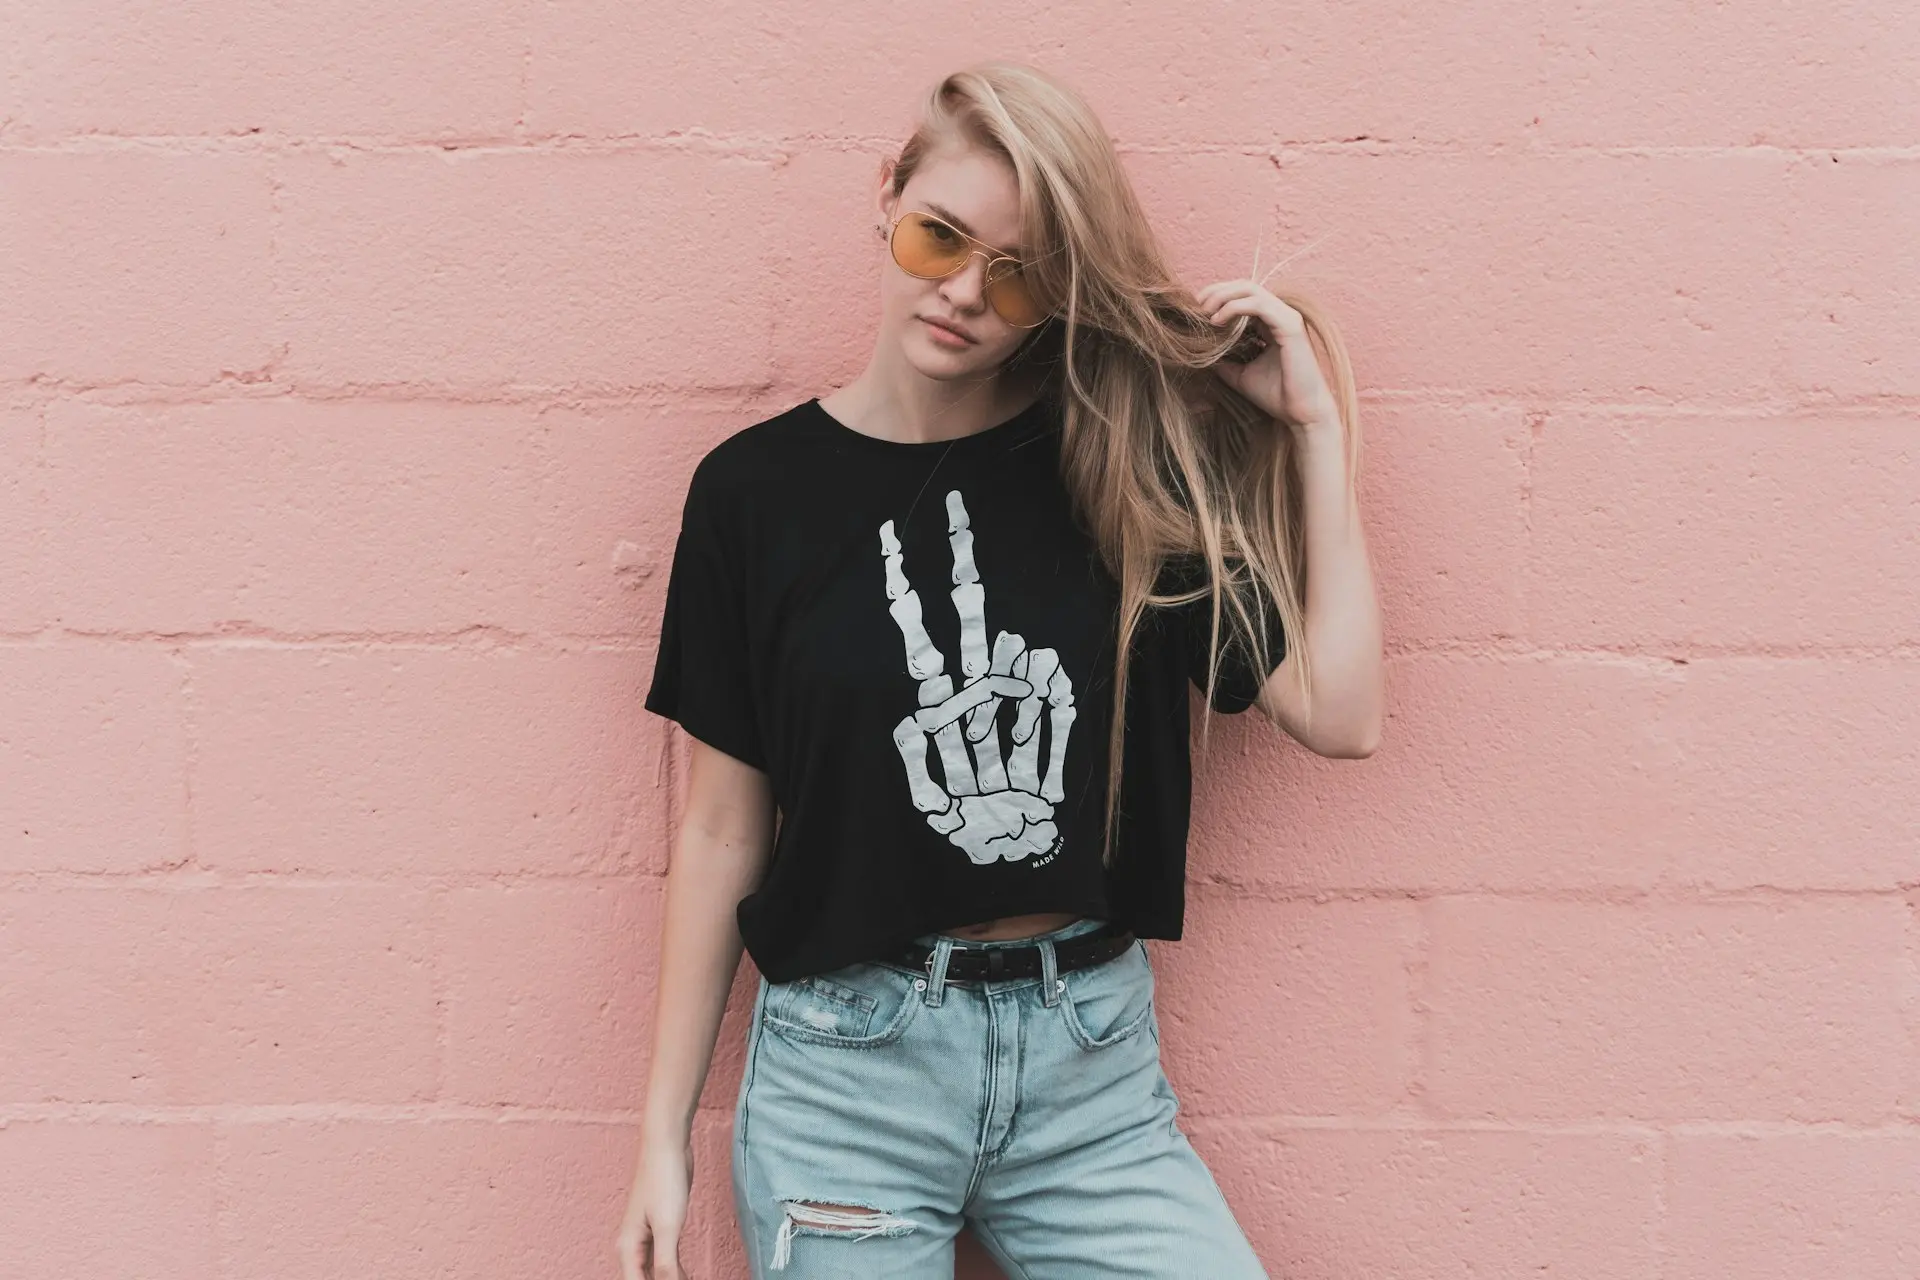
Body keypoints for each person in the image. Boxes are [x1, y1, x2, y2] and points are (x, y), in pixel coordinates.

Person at [617, 59, 1385, 1280]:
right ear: (887, 200)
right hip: (845, 1075)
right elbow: (720, 831)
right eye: (940, 237)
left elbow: (1342, 715)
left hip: (1091, 1072)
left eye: (1021, 274)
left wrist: (1315, 432)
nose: (967, 293)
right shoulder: (751, 494)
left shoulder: (1118, 468)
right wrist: (661, 1134)